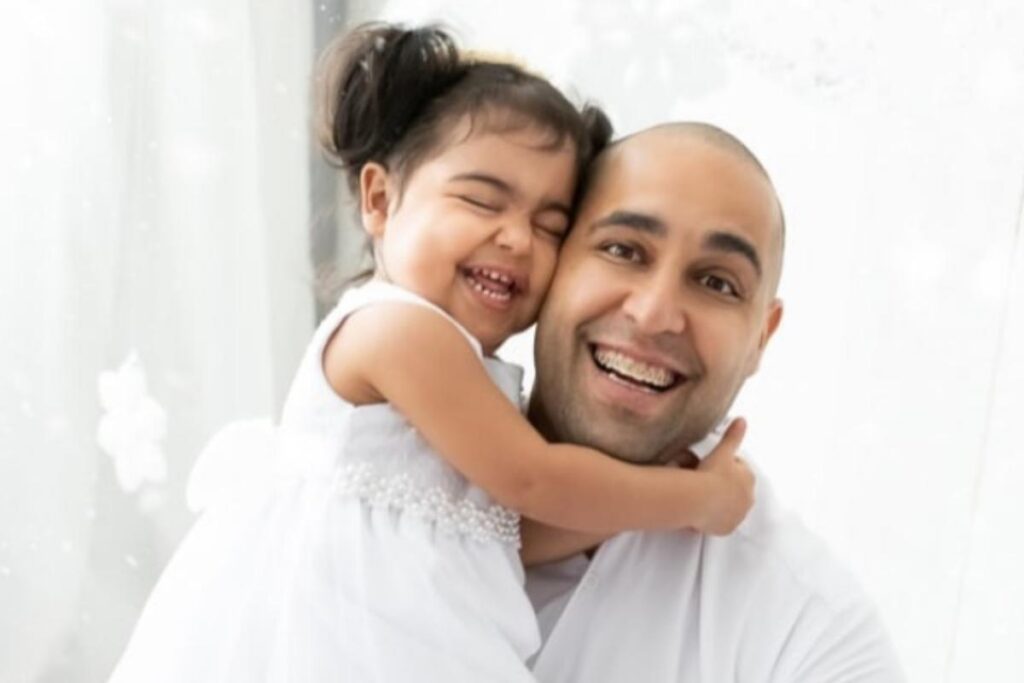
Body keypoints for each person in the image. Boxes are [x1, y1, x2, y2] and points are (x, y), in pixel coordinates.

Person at [108, 25, 756, 682]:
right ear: (380, 200)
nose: (515, 238)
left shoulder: (463, 367)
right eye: (481, 199)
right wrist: (691, 498)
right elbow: (534, 481)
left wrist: (631, 508)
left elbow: (508, 535)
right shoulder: (396, 329)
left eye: (549, 226)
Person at [523, 123, 906, 681]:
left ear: (761, 339)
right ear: (551, 261)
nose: (653, 314)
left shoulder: (809, 631)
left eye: (718, 283)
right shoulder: (379, 458)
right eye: (623, 250)